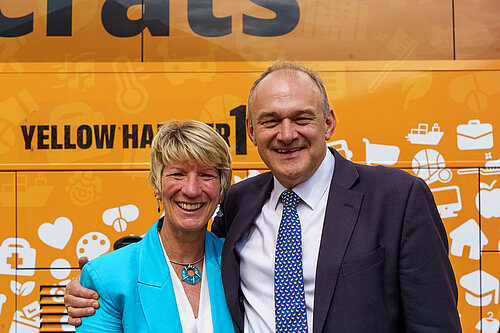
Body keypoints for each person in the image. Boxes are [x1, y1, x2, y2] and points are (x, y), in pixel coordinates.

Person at [65, 62, 462, 332]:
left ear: (328, 122)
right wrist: (97, 280)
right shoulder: (240, 203)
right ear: (252, 132)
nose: (286, 134)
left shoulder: (398, 198)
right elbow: (181, 238)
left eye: (302, 118)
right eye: (270, 121)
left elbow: (434, 323)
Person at [73, 120, 235, 332]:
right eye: (177, 174)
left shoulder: (241, 263)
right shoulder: (106, 275)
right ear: (157, 186)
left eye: (206, 175)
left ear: (222, 189)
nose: (192, 190)